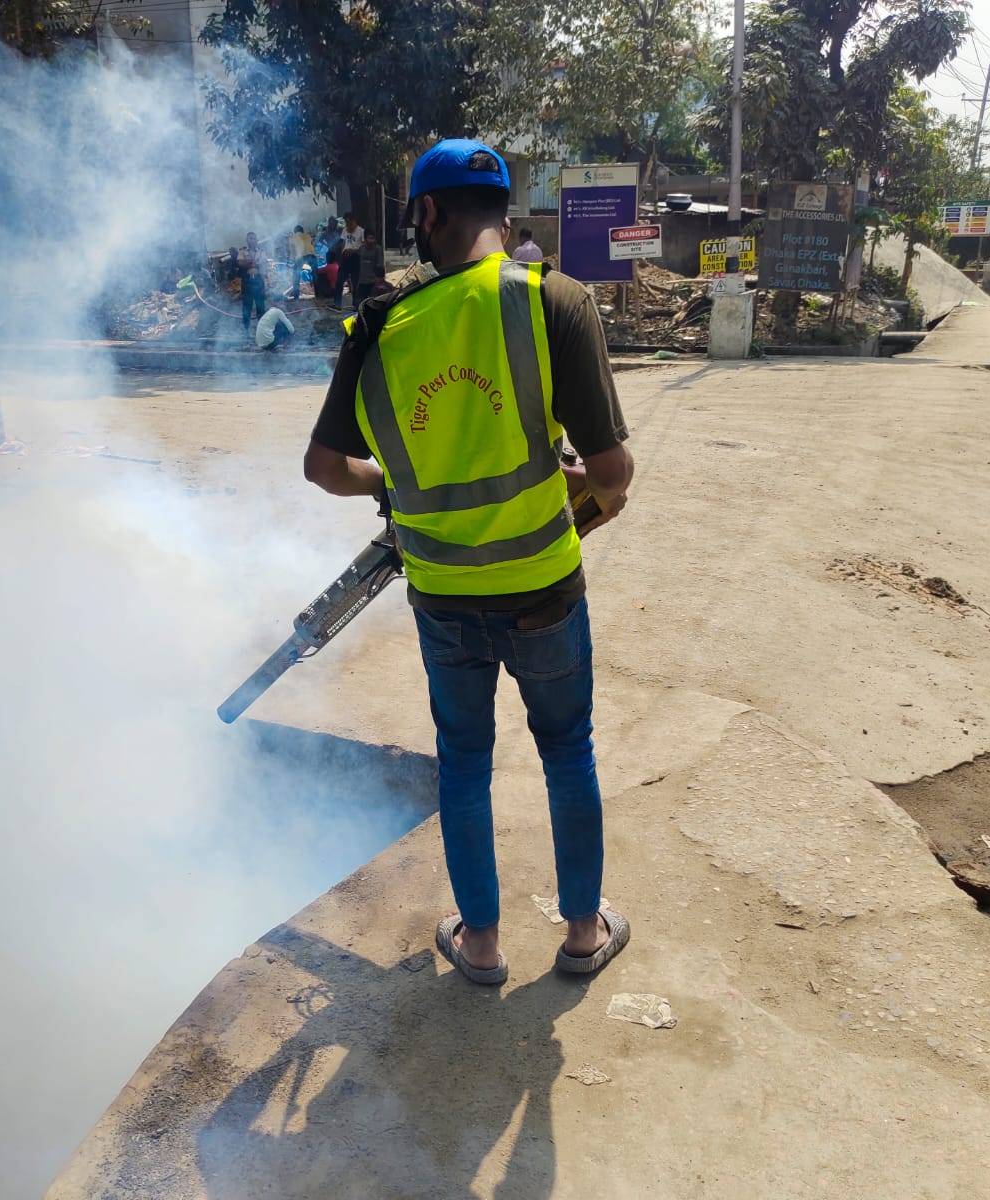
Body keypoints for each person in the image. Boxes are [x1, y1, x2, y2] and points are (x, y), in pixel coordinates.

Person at [303, 139, 634, 986]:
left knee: (463, 761)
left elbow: (326, 470)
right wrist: (560, 484)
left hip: (443, 594)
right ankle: (582, 934)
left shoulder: (378, 324)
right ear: (506, 213)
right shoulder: (553, 300)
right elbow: (611, 477)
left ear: (427, 213)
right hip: (546, 591)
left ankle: (480, 944)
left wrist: (398, 481)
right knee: (567, 751)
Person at [337, 211, 366, 306]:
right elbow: (343, 243)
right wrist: (342, 254)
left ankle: (356, 304)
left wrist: (354, 251)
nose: (348, 224)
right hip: (345, 257)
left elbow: (363, 246)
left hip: (355, 257)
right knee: (340, 280)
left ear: (354, 221)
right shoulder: (345, 230)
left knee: (355, 281)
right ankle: (337, 303)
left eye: (349, 222)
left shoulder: (361, 231)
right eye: (346, 222)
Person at [354, 229, 388, 305]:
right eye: (370, 238)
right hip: (362, 281)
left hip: (373, 281)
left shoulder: (377, 249)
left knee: (374, 303)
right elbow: (357, 264)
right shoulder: (361, 249)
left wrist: (379, 279)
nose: (371, 240)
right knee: (359, 303)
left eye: (373, 238)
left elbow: (380, 265)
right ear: (365, 239)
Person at [287, 224, 317, 299]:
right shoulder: (307, 236)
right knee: (315, 276)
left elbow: (292, 252)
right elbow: (313, 245)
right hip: (312, 256)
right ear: (302, 231)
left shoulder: (292, 237)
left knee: (296, 276)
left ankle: (296, 296)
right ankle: (319, 294)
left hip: (301, 257)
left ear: (295, 231)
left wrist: (293, 261)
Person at [241, 258, 268, 333]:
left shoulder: (256, 275)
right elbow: (243, 286)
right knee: (248, 310)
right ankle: (247, 327)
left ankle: (259, 327)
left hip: (255, 293)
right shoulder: (246, 275)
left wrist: (262, 293)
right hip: (249, 293)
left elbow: (262, 285)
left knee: (259, 310)